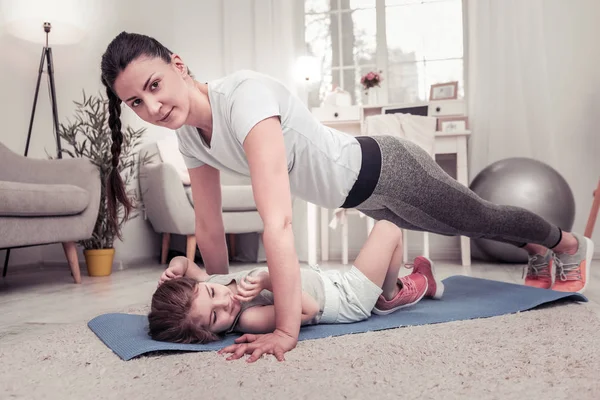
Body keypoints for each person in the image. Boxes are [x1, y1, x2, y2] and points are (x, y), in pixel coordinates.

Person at [100, 31, 594, 361]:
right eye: (136, 102)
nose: (153, 106)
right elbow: (207, 227)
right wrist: (223, 286)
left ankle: (564, 243)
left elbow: (279, 223)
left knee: (477, 217)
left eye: (154, 85)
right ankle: (527, 250)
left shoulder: (243, 99)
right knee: (468, 222)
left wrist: (286, 331)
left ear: (178, 65)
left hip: (387, 167)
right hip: (362, 196)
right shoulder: (190, 135)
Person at [148, 220, 443, 362]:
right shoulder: (249, 319)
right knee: (388, 230)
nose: (225, 303)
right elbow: (309, 309)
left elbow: (187, 264)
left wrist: (175, 267)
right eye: (215, 319)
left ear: (202, 284)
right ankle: (388, 296)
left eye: (213, 293)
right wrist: (266, 280)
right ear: (210, 334)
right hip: (345, 299)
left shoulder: (211, 283)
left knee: (387, 237)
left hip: (332, 281)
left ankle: (394, 289)